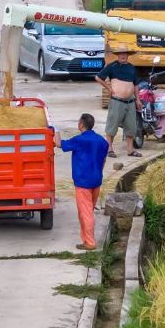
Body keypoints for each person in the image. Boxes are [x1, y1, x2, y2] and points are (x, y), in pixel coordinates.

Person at [54, 113, 109, 251]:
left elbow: (59, 144)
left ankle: (89, 242)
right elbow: (103, 161)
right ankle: (85, 238)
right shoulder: (102, 141)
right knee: (88, 210)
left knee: (86, 213)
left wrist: (56, 130)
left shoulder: (79, 140)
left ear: (81, 125)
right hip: (96, 181)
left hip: (83, 182)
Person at [95, 45, 141, 158]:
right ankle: (109, 149)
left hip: (130, 102)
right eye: (121, 53)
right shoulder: (112, 66)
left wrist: (138, 99)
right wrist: (109, 88)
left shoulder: (132, 68)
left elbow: (135, 85)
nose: (123, 55)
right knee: (112, 125)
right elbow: (98, 77)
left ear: (128, 55)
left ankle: (130, 150)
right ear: (117, 55)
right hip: (117, 101)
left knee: (131, 127)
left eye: (125, 53)